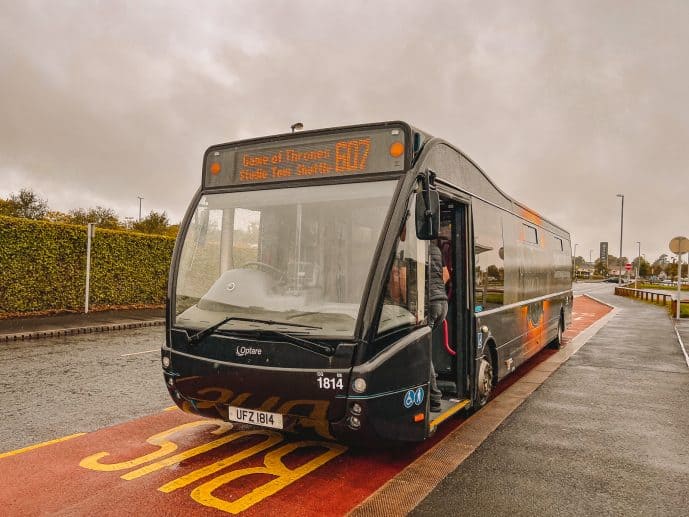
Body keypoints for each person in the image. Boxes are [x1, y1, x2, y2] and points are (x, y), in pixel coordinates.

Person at [428, 239, 449, 411]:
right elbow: (446, 275)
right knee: (427, 349)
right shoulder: (435, 250)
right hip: (443, 303)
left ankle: (434, 398)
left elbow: (404, 276)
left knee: (422, 352)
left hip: (428, 304)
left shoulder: (416, 248)